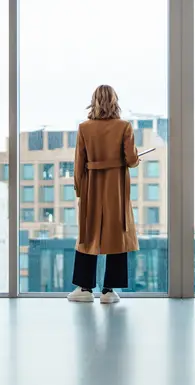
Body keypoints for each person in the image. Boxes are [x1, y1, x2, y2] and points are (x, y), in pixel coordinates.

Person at [67, 85, 140, 304]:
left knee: (88, 234)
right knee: (117, 233)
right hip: (115, 188)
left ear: (94, 101)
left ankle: (85, 288)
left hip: (91, 187)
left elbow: (78, 163)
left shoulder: (84, 128)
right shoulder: (124, 126)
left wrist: (80, 190)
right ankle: (108, 291)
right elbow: (132, 161)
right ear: (115, 101)